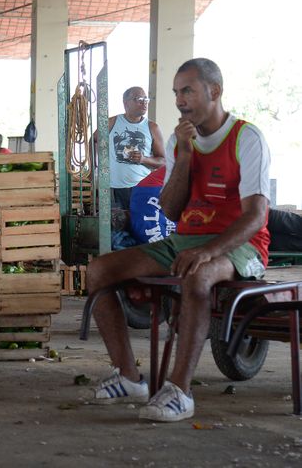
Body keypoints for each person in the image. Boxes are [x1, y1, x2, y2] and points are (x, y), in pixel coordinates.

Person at [86, 58, 271, 422]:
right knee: (98, 271)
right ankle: (128, 377)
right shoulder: (176, 141)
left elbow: (255, 216)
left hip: (241, 245)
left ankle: (180, 391)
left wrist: (208, 250)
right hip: (186, 239)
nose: (179, 100)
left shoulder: (246, 138)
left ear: (214, 91)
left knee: (197, 276)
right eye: (175, 92)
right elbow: (170, 212)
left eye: (187, 90)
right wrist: (184, 156)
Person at [101, 87, 165, 211]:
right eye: (139, 99)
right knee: (117, 227)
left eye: (146, 99)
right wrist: (95, 171)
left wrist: (143, 159)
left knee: (139, 227)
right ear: (126, 103)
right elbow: (93, 141)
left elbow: (163, 161)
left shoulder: (152, 127)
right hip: (114, 189)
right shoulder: (112, 122)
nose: (144, 102)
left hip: (142, 188)